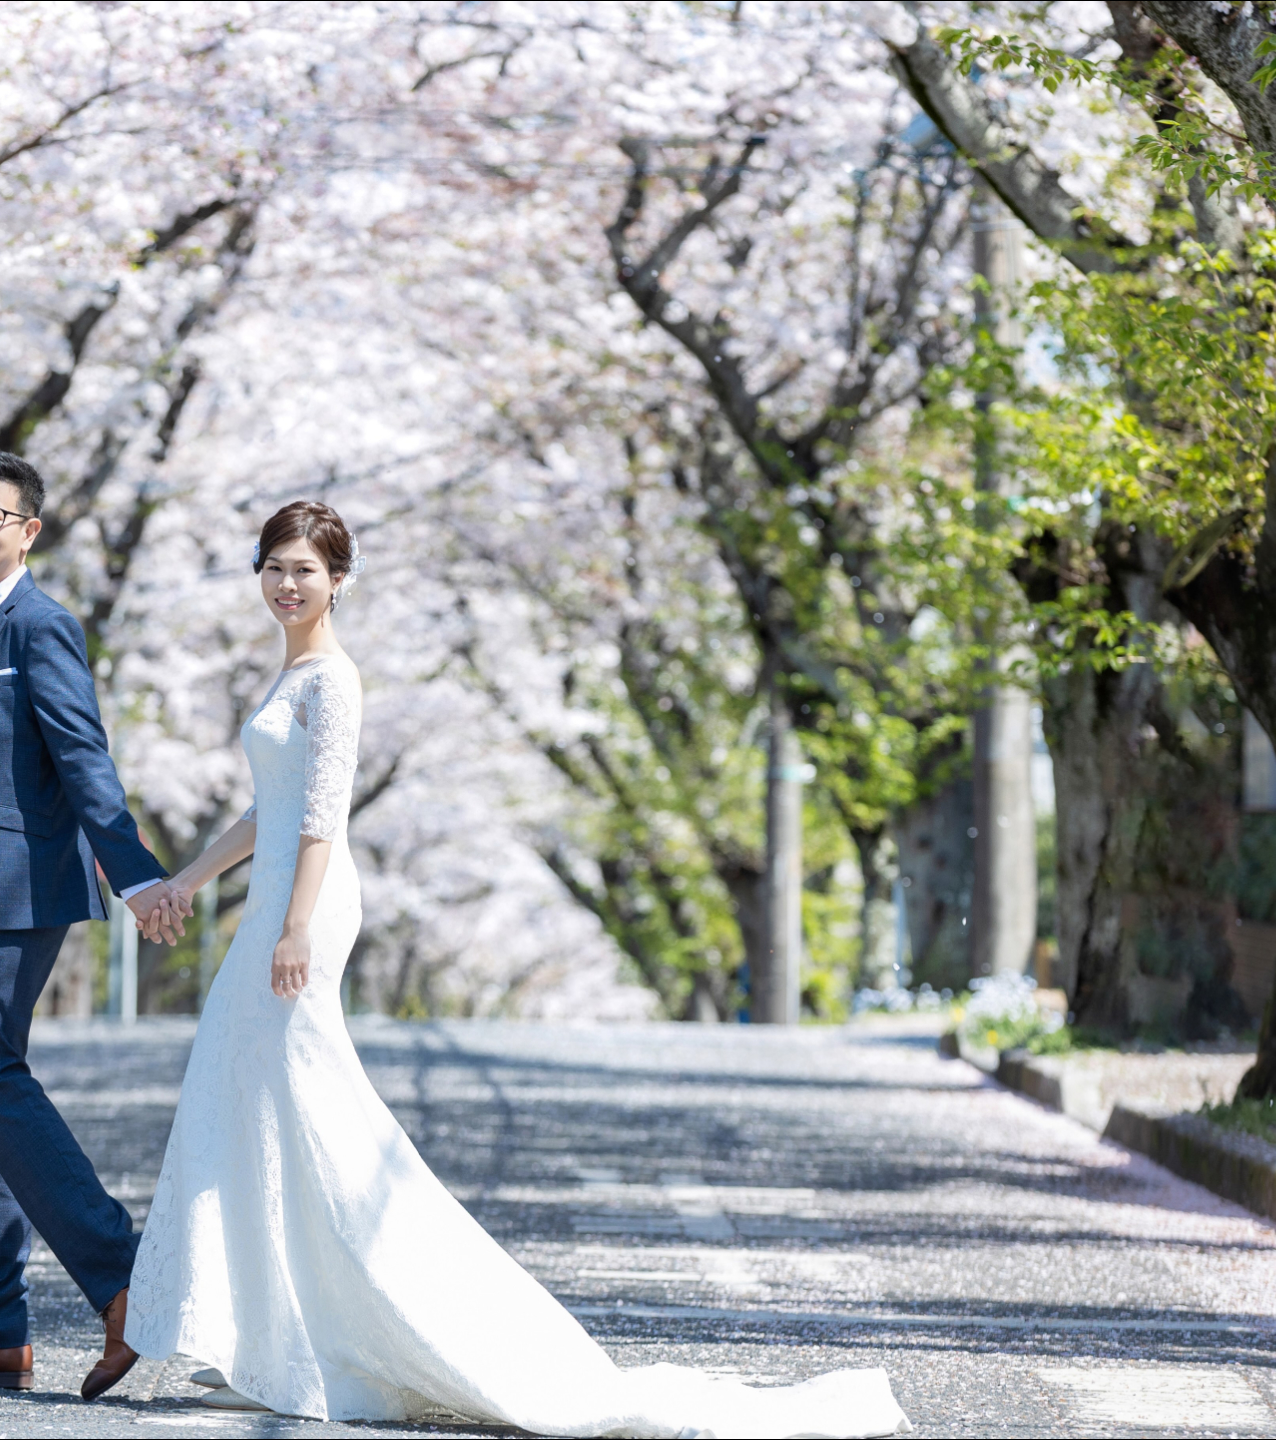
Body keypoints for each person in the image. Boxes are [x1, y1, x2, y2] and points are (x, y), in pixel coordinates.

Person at [126, 501, 910, 1438]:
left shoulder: (334, 681)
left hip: (307, 905)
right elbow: (269, 809)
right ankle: (276, 1332)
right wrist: (185, 878)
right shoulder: (289, 671)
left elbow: (322, 813)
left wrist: (295, 927)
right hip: (275, 901)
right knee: (250, 1093)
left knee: (302, 1095)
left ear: (340, 578)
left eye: (305, 569)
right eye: (274, 567)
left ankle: (366, 1326)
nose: (287, 584)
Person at [0, 450, 190, 1400]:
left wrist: (135, 876)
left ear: (29, 532)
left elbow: (84, 757)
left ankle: (122, 1276)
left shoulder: (40, 626)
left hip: (14, 889)